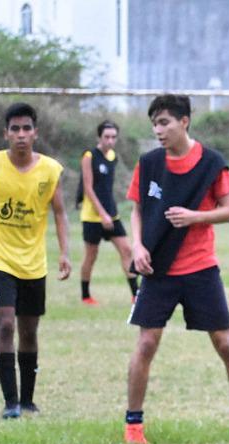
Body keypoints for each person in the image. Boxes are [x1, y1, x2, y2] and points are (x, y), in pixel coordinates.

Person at [123, 93, 229, 444]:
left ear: (184, 121)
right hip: (159, 269)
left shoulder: (212, 163)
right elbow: (136, 209)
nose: (158, 131)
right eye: (154, 124)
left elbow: (228, 210)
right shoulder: (148, 164)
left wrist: (196, 217)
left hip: (200, 269)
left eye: (164, 123)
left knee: (225, 343)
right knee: (146, 343)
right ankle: (133, 426)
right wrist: (138, 245)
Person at [0, 103, 71, 419]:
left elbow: (59, 212)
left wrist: (65, 253)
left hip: (33, 263)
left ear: (35, 133)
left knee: (29, 331)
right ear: (5, 133)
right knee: (6, 324)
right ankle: (10, 403)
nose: (21, 135)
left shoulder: (51, 170)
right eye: (15, 129)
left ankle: (28, 400)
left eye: (27, 128)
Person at [78, 120, 137, 305]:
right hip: (92, 216)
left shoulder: (113, 156)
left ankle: (136, 294)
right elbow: (88, 188)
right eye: (106, 137)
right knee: (91, 255)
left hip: (112, 214)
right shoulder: (89, 156)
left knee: (126, 250)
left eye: (113, 137)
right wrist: (102, 214)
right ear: (99, 137)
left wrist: (109, 213)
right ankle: (86, 296)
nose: (110, 141)